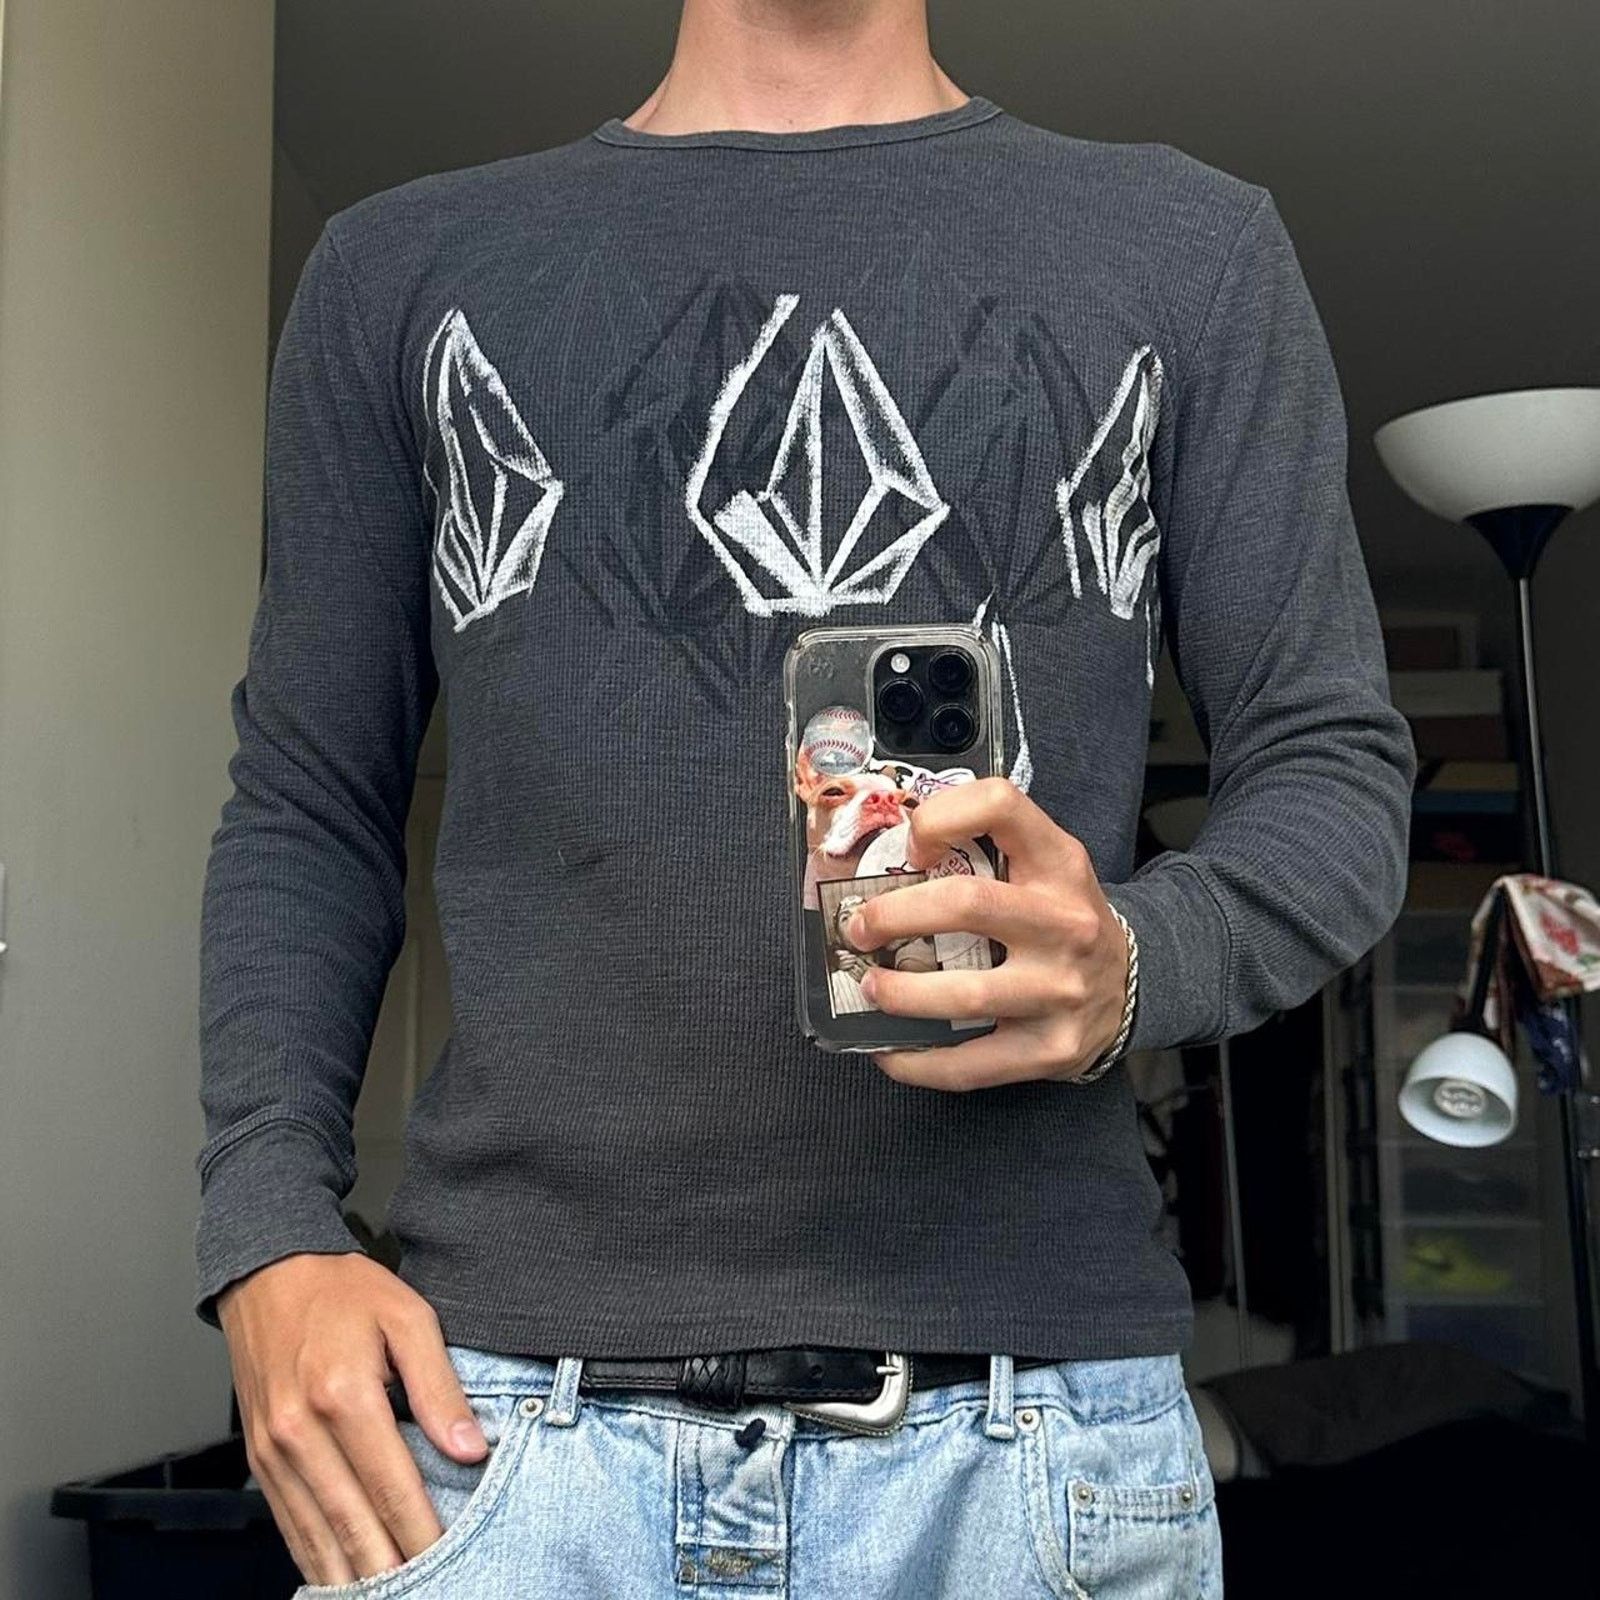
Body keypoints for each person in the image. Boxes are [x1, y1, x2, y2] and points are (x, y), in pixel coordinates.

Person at [194, 1, 1416, 1594]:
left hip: (1032, 1444)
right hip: (503, 1446)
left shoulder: (1193, 248)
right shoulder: (396, 269)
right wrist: (268, 1233)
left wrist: (1136, 962)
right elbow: (306, 803)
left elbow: (1334, 769)